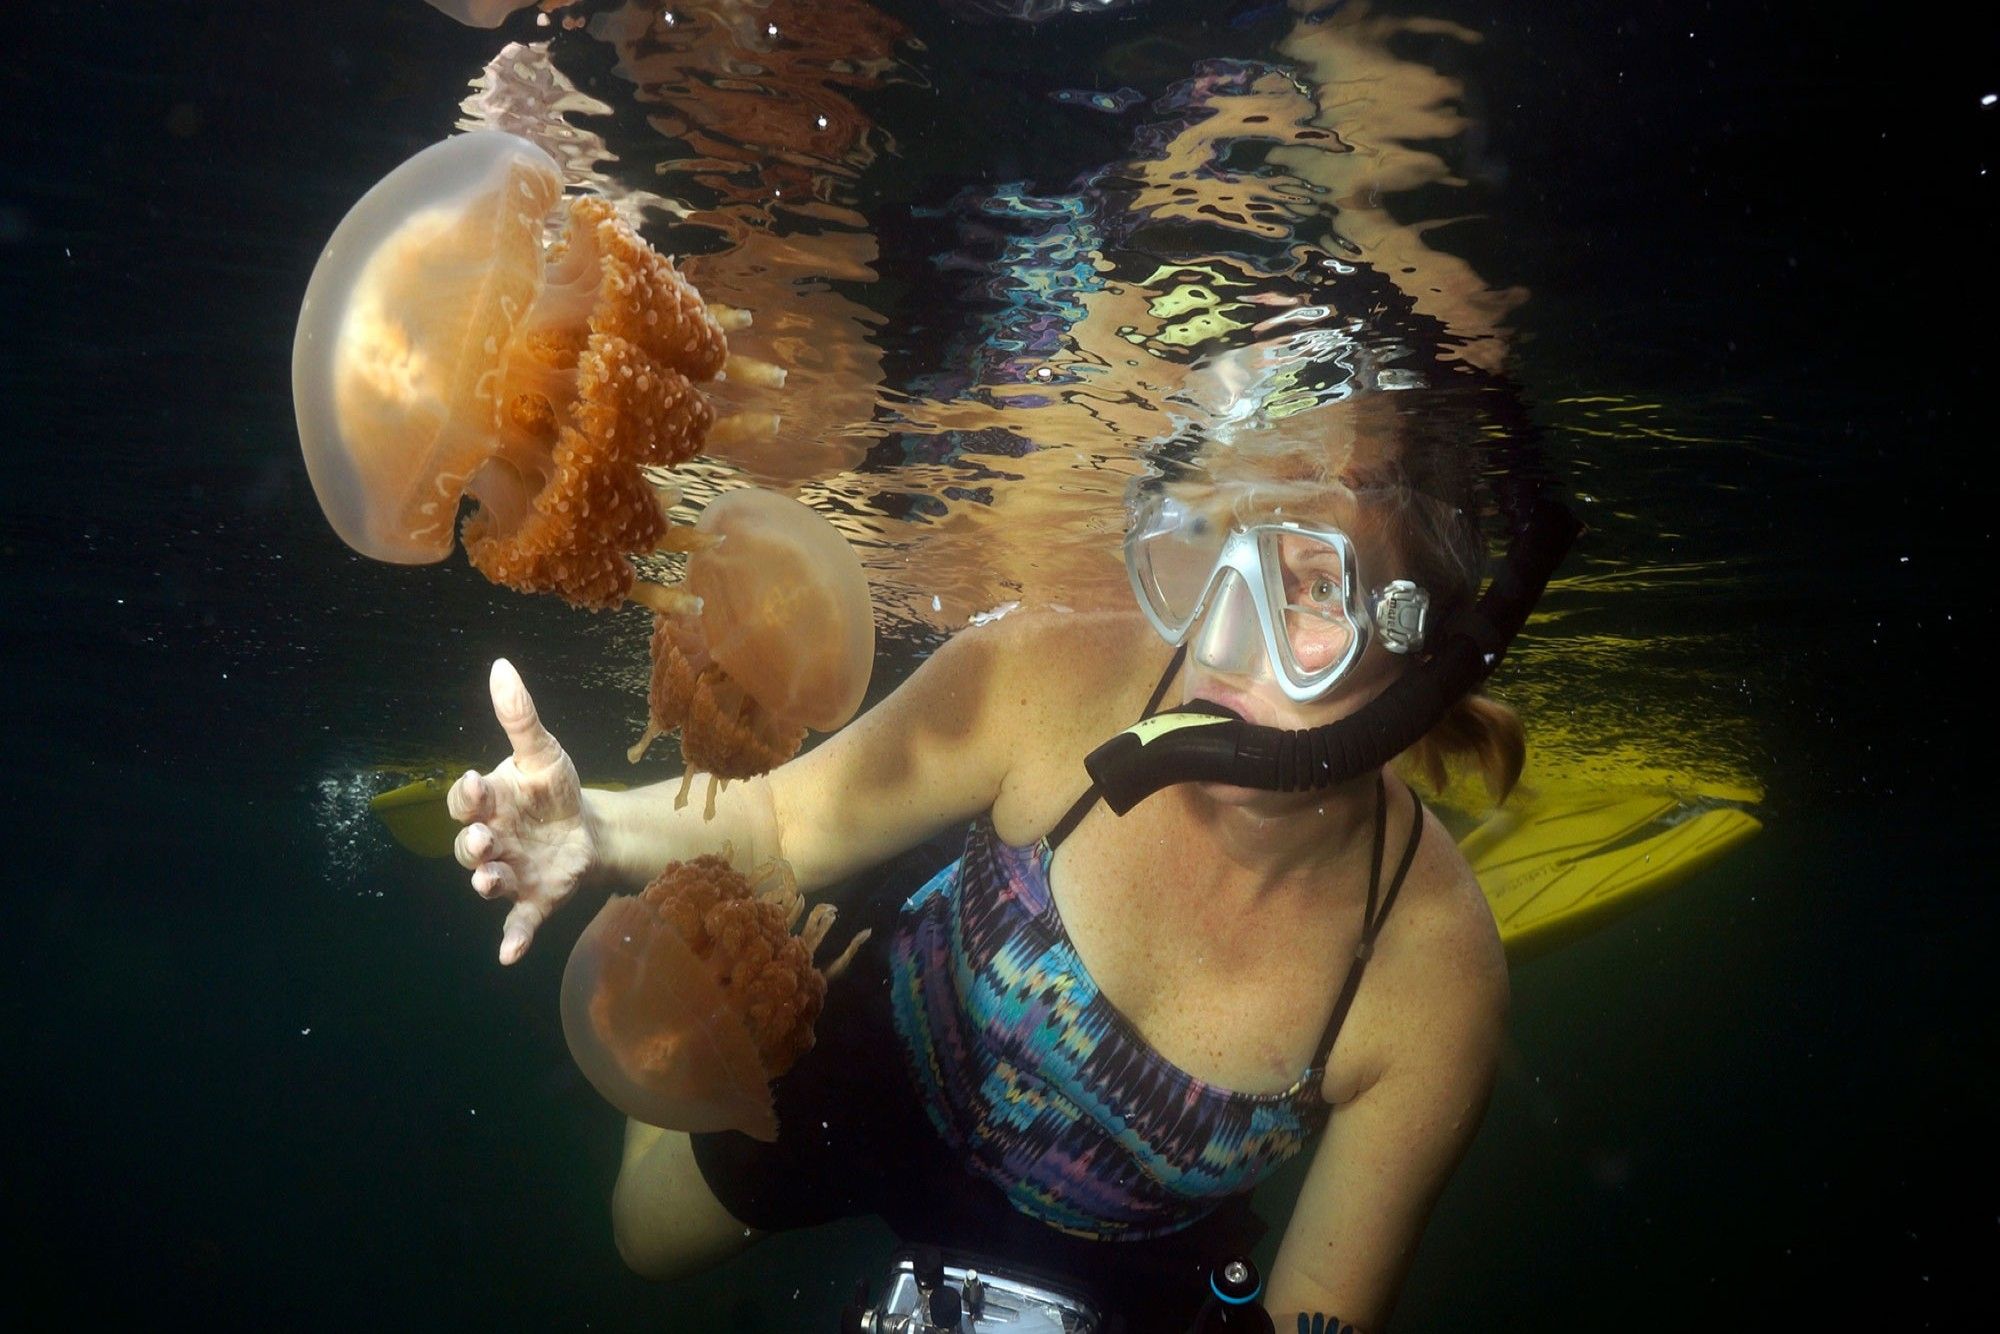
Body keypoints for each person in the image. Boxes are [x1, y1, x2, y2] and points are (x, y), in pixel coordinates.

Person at [445, 400, 1536, 1331]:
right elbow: (779, 826)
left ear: (1425, 644)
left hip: (1123, 1246)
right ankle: (720, 944)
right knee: (647, 1238)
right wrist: (596, 832)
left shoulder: (1431, 984)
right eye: (1204, 559)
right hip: (881, 1056)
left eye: (1310, 590)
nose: (1221, 646)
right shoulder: (1047, 671)